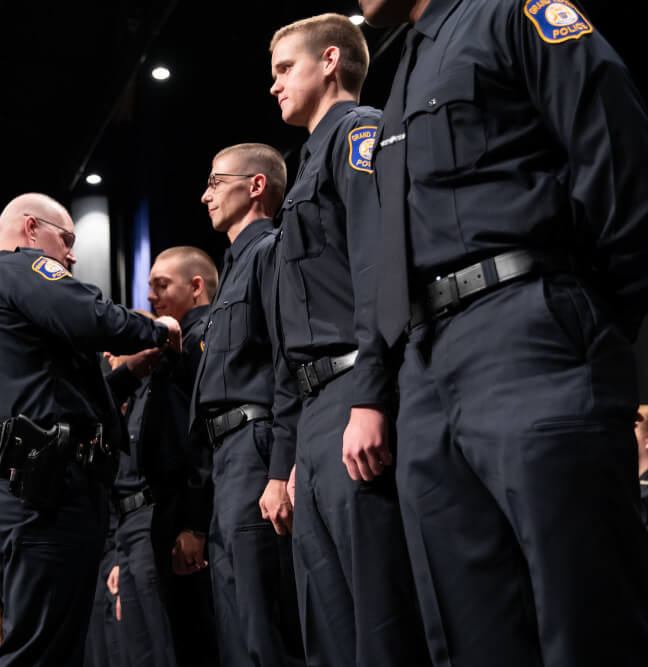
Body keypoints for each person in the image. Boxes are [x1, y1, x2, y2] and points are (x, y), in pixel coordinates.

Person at [358, 1, 648, 665]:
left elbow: (620, 155)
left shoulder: (515, 12)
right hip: (425, 364)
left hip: (527, 328)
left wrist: (590, 316)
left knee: (585, 609)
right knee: (469, 631)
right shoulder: (402, 77)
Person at [0, 192, 182, 667]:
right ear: (31, 229)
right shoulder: (21, 268)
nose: (72, 255)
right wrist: (159, 330)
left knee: (50, 645)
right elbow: (89, 314)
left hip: (24, 482)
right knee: (39, 650)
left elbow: (56, 394)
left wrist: (126, 374)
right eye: (67, 240)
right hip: (42, 489)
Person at [267, 15, 426, 667]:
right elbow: (295, 326)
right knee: (328, 627)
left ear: (329, 61)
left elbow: (376, 270)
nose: (274, 84)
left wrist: (370, 396)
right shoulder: (305, 163)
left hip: (354, 393)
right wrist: (291, 456)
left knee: (379, 614)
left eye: (285, 68)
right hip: (316, 415)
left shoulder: (359, 133)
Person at [192, 143, 304, 667]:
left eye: (216, 182)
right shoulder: (233, 267)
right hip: (226, 460)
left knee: (264, 625)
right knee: (236, 632)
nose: (205, 195)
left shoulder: (270, 252)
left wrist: (280, 470)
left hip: (256, 451)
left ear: (256, 186)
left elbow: (287, 361)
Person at [108, 249, 219, 667]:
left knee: (181, 644)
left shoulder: (199, 344)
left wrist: (194, 522)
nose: (151, 296)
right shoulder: (170, 356)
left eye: (162, 285)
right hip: (159, 518)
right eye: (150, 286)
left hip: (180, 513)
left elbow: (202, 436)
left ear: (195, 287)